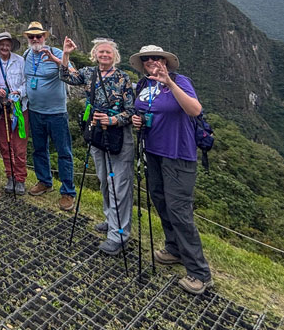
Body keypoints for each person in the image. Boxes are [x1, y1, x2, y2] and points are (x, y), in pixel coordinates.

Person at [129, 44, 213, 295]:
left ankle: (200, 273)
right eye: (147, 60)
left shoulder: (180, 81)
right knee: (161, 201)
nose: (152, 62)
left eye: (157, 58)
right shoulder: (144, 85)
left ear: (166, 61)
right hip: (153, 152)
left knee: (179, 210)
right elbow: (144, 111)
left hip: (178, 154)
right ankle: (174, 249)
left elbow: (194, 109)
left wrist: (169, 83)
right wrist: (137, 120)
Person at [60, 37, 135, 255]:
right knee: (104, 179)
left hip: (118, 134)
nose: (104, 55)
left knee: (118, 184)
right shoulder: (89, 73)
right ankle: (110, 219)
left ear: (115, 57)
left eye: (108, 53)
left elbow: (130, 111)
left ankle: (119, 235)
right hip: (96, 131)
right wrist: (66, 54)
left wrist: (112, 120)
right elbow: (65, 76)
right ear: (94, 54)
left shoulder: (123, 78)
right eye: (101, 52)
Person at [22, 21, 76, 210]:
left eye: (38, 36)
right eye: (31, 36)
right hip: (35, 111)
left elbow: (74, 75)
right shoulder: (27, 55)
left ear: (45, 37)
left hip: (56, 113)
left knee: (63, 152)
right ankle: (44, 181)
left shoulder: (59, 54)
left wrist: (57, 60)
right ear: (27, 39)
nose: (35, 39)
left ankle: (68, 191)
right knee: (39, 149)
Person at [0, 31, 28, 194]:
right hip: (0, 107)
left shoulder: (20, 61)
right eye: (1, 44)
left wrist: (18, 92)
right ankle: (10, 175)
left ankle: (20, 178)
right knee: (5, 144)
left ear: (11, 46)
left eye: (7, 44)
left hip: (18, 108)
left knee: (19, 145)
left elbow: (26, 82)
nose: (4, 47)